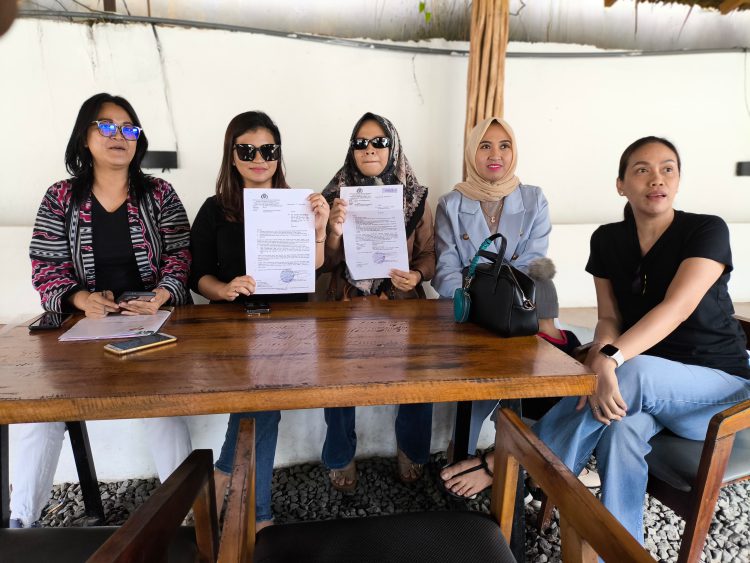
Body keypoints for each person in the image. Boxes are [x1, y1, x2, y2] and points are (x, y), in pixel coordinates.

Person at [533, 136, 750, 543]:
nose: (657, 179)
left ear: (678, 180)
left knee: (632, 371)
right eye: (642, 170)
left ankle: (520, 463)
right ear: (621, 185)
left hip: (719, 394)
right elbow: (609, 317)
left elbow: (677, 307)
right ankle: (620, 548)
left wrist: (609, 359)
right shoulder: (607, 239)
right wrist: (602, 354)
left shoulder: (706, 230)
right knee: (620, 429)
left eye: (668, 169)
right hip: (643, 390)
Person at [16, 93, 192, 528]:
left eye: (128, 128)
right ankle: (21, 525)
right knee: (40, 412)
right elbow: (45, 266)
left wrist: (161, 295)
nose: (119, 136)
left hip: (151, 322)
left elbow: (181, 254)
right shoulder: (60, 197)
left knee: (162, 404)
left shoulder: (159, 194)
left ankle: (187, 516)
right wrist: (79, 298)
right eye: (106, 126)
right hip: (81, 328)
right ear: (85, 137)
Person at [190, 111, 329, 531]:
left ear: (278, 155)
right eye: (247, 150)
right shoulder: (215, 209)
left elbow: (313, 266)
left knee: (260, 409)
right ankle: (258, 516)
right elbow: (198, 274)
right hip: (234, 326)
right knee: (264, 409)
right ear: (231, 155)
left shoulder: (298, 202)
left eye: (267, 150)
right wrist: (224, 289)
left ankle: (223, 478)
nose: (258, 159)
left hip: (288, 324)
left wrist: (320, 228)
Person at [432, 116, 580, 499]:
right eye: (485, 145)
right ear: (472, 153)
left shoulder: (533, 199)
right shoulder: (451, 203)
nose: (494, 154)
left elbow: (534, 263)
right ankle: (469, 453)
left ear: (514, 152)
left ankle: (508, 461)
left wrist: (494, 292)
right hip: (470, 315)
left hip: (520, 310)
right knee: (476, 376)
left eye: (504, 145)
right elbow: (445, 268)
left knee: (531, 374)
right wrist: (480, 299)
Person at [320, 112, 435, 492]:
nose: (369, 149)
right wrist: (333, 231)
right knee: (337, 380)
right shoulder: (333, 196)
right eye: (360, 143)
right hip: (346, 303)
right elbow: (325, 264)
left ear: (393, 147)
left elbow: (430, 254)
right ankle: (340, 454)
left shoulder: (415, 197)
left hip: (400, 303)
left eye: (379, 142)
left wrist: (416, 276)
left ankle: (412, 449)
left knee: (419, 376)